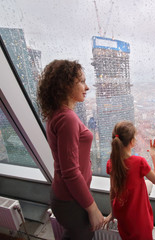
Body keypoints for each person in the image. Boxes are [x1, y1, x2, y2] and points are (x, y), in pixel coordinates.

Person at [37, 59, 104, 239]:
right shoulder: (67, 119)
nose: (87, 87)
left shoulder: (58, 114)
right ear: (65, 85)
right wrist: (93, 209)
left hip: (67, 196)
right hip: (70, 200)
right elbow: (70, 171)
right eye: (81, 81)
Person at [104, 121, 155, 240]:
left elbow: (113, 191)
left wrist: (112, 214)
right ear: (132, 142)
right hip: (139, 221)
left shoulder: (111, 163)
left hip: (122, 217)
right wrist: (154, 155)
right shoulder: (139, 162)